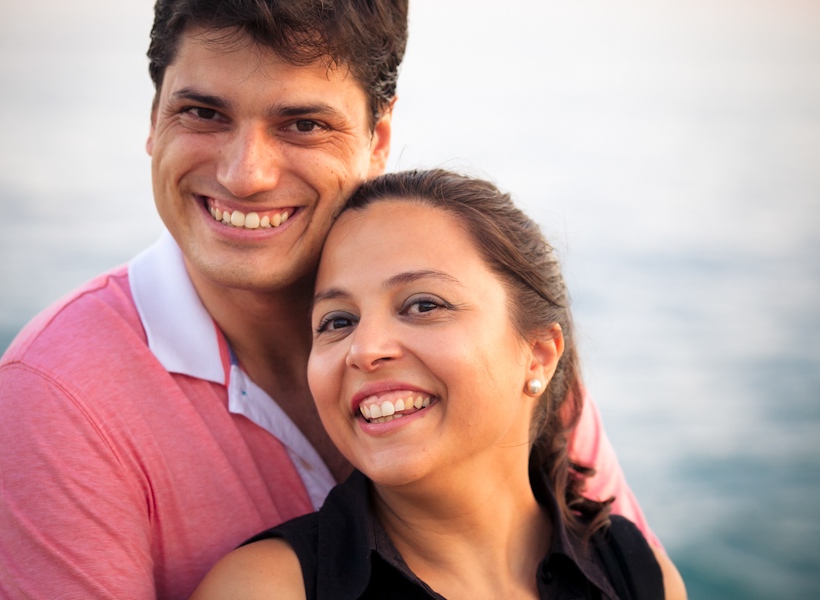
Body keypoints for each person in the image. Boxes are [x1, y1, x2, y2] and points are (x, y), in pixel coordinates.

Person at [0, 1, 670, 598]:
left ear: (379, 139)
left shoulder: (493, 346)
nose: (246, 174)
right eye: (203, 112)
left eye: (302, 124)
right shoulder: (60, 392)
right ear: (154, 119)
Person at [192, 169, 686, 599]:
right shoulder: (265, 589)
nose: (365, 349)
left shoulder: (639, 574)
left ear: (537, 354)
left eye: (423, 305)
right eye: (337, 321)